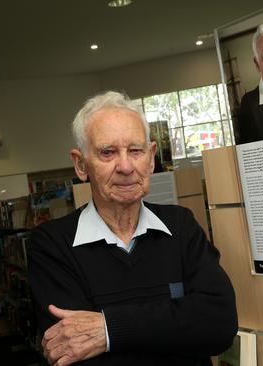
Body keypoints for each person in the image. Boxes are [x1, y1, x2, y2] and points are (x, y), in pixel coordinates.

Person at [28, 91, 238, 366]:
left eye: (135, 151)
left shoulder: (181, 226)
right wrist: (178, 327)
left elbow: (219, 324)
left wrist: (108, 329)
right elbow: (71, 354)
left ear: (151, 158)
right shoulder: (52, 245)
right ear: (81, 165)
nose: (125, 166)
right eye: (108, 152)